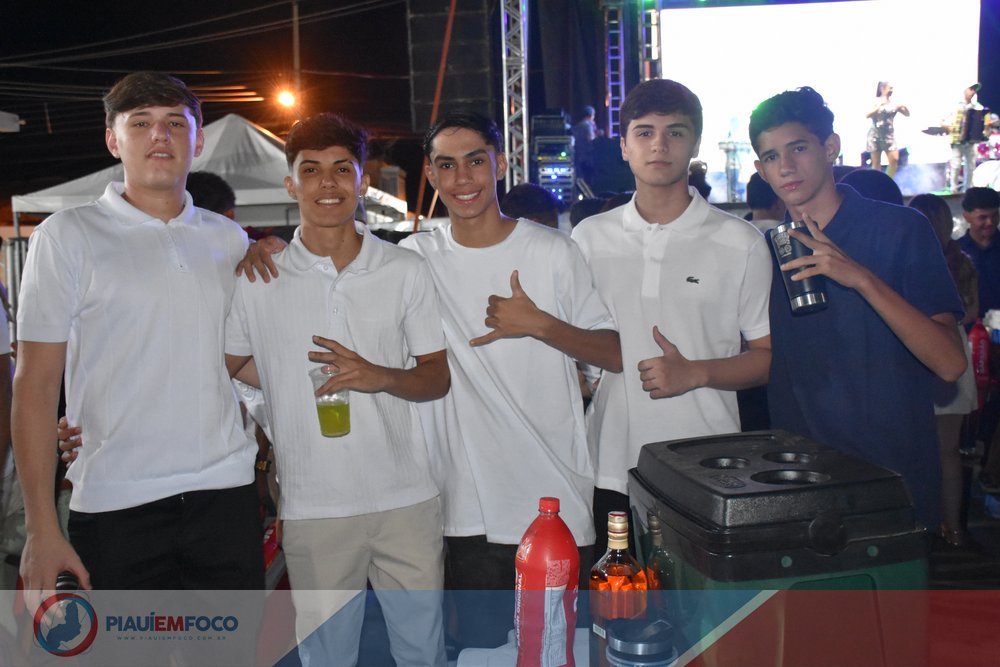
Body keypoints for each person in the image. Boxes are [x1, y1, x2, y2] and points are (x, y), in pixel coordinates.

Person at [239, 111, 621, 649]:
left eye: (475, 161)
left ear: (500, 165)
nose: (462, 178)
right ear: (431, 174)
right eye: (447, 165)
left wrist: (541, 324)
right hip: (462, 504)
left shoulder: (552, 251)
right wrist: (270, 246)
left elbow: (614, 354)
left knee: (559, 649)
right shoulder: (415, 258)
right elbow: (336, 251)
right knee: (479, 653)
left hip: (552, 496)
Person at [13, 72, 263, 602]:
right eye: (141, 123)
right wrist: (41, 528)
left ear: (198, 140)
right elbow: (34, 384)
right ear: (113, 139)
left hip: (225, 497)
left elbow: (243, 361)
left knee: (231, 646)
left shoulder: (229, 239)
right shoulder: (66, 235)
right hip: (116, 504)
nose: (160, 135)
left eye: (176, 123)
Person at [226, 113, 449, 666]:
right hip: (313, 504)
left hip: (407, 499)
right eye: (311, 170)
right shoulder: (259, 276)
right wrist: (284, 379)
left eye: (342, 169)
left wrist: (380, 376)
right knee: (327, 656)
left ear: (362, 181)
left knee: (422, 652)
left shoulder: (404, 269)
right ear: (291, 184)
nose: (327, 183)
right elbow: (230, 363)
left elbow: (436, 376)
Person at [749, 86, 966, 530]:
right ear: (760, 170)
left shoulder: (899, 228)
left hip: (890, 478)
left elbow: (949, 363)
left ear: (830, 147)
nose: (786, 166)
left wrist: (861, 278)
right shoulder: (763, 251)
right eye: (771, 157)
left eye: (798, 148)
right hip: (799, 482)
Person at [571, 79, 772, 554]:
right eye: (644, 132)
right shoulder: (588, 238)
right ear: (624, 146)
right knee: (617, 593)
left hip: (709, 465)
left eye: (675, 132)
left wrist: (695, 372)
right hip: (610, 463)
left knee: (697, 597)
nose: (659, 145)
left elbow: (766, 358)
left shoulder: (740, 242)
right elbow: (579, 343)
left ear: (695, 144)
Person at [909, 193, 978, 547]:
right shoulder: (960, 261)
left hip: (918, 354)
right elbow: (972, 310)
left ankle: (923, 525)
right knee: (948, 451)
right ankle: (953, 528)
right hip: (954, 350)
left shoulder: (907, 260)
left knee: (917, 449)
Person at [947, 83, 987, 194]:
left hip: (970, 141)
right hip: (957, 140)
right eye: (971, 89)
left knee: (970, 166)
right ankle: (953, 189)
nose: (973, 92)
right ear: (964, 90)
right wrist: (949, 126)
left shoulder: (977, 106)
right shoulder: (956, 105)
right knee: (955, 165)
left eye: (974, 90)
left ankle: (968, 189)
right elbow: (945, 120)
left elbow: (982, 122)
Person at [865, 81, 909, 178]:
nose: (891, 90)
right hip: (875, 135)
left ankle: (888, 180)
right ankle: (877, 182)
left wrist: (904, 107)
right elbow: (867, 115)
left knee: (894, 159)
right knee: (876, 163)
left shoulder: (893, 103)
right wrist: (879, 106)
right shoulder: (876, 101)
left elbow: (907, 114)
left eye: (892, 88)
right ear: (882, 89)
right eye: (890, 88)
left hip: (889, 135)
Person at [572, 105, 600, 185]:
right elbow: (591, 140)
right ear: (591, 115)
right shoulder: (588, 126)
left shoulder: (576, 126)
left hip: (578, 157)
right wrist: (596, 133)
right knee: (589, 181)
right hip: (588, 158)